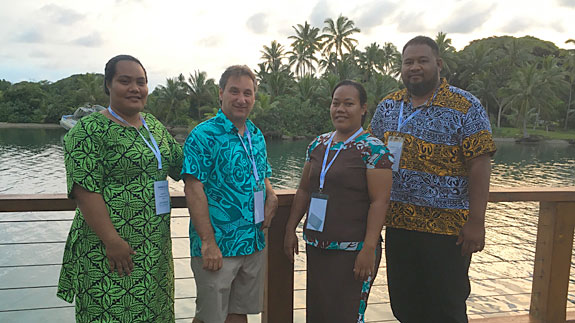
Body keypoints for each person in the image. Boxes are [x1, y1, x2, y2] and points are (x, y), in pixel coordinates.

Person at [369, 36, 497, 323]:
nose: (415, 67)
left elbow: (480, 163)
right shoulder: (388, 106)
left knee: (447, 307)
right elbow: (371, 158)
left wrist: (477, 221)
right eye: (408, 62)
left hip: (448, 230)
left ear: (438, 64)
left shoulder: (466, 106)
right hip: (400, 225)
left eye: (422, 61)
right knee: (404, 305)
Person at [57, 54, 184, 322]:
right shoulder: (89, 131)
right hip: (109, 250)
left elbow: (182, 166)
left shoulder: (154, 127)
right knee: (109, 313)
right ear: (108, 85)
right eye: (125, 81)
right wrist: (112, 241)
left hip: (153, 249)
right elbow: (84, 190)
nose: (135, 88)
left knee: (154, 313)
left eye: (141, 82)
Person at [284, 80, 394, 323]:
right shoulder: (318, 144)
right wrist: (291, 228)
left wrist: (368, 248)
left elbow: (380, 202)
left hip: (354, 251)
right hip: (318, 246)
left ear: (363, 108)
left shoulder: (375, 151)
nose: (340, 109)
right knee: (319, 313)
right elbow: (304, 190)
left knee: (347, 314)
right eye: (336, 103)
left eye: (348, 104)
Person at [182, 65, 278, 323]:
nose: (241, 99)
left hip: (253, 241)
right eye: (234, 91)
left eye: (248, 93)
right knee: (209, 317)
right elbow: (193, 188)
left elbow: (262, 172)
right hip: (218, 247)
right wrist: (208, 242)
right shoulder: (203, 135)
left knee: (239, 313)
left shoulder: (256, 135)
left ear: (254, 97)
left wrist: (271, 193)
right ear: (221, 93)